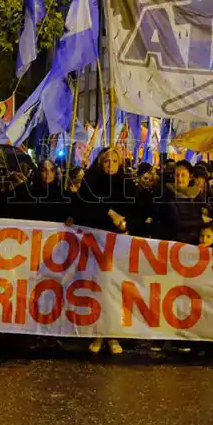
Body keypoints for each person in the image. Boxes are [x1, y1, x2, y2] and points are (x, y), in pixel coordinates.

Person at [70, 148, 132, 355]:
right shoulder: (90, 184)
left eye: (115, 161)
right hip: (95, 244)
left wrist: (125, 223)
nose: (110, 165)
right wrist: (109, 212)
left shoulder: (126, 184)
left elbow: (137, 209)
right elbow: (84, 207)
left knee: (115, 290)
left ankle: (112, 334)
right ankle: (99, 332)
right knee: (98, 289)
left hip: (118, 246)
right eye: (107, 161)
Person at [155, 160, 206, 245]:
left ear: (190, 177)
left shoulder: (196, 195)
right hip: (173, 245)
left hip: (194, 244)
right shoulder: (167, 197)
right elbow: (176, 223)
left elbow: (206, 212)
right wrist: (201, 220)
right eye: (176, 175)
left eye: (183, 175)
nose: (179, 179)